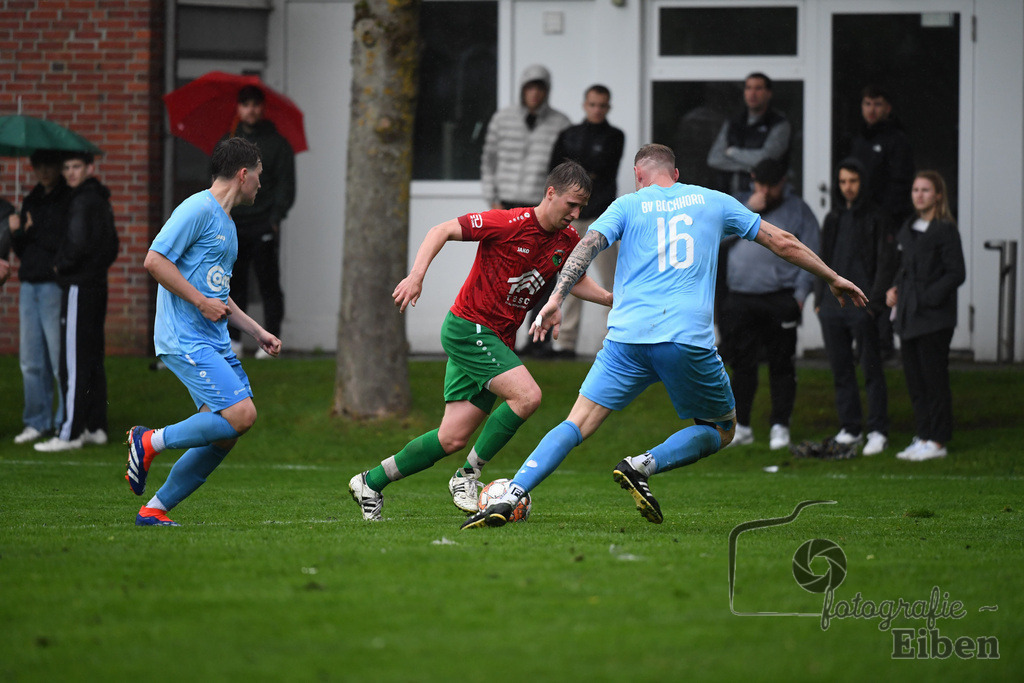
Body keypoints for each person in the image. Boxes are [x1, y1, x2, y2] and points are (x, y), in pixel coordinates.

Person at [460, 144, 867, 530]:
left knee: (577, 422)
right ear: (675, 174)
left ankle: (512, 493)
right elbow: (781, 241)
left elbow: (587, 246)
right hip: (684, 339)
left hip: (626, 339)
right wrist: (831, 277)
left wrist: (556, 298)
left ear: (639, 176)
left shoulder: (627, 204)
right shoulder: (713, 200)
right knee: (721, 429)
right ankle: (643, 465)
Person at [347, 161, 612, 521]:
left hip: (495, 340)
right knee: (528, 396)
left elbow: (575, 279)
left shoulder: (566, 240)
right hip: (469, 328)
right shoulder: (509, 223)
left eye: (582, 207)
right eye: (571, 204)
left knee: (451, 438)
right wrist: (416, 276)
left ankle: (370, 482)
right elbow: (441, 230)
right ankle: (468, 475)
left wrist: (614, 301)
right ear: (550, 193)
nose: (576, 214)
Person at [125, 138, 281, 526]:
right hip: (185, 338)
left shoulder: (228, 226)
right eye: (258, 176)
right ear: (243, 174)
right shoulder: (196, 208)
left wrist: (257, 330)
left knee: (225, 434)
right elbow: (154, 260)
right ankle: (148, 441)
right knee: (242, 415)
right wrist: (198, 301)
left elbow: (219, 297)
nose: (260, 184)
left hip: (211, 340)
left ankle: (154, 510)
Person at [718, 158, 819, 451]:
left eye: (770, 186)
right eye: (759, 184)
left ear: (783, 183)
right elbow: (716, 240)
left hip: (780, 296)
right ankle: (742, 426)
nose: (765, 190)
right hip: (740, 296)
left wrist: (799, 296)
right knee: (741, 364)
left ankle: (780, 426)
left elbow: (812, 250)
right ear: (752, 179)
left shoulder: (798, 209)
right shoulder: (739, 203)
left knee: (781, 363)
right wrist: (750, 210)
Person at [480, 65, 572, 358]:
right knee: (502, 273)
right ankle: (496, 334)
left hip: (538, 208)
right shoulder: (502, 119)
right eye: (530, 87)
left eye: (540, 87)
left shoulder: (560, 123)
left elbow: (563, 170)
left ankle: (537, 340)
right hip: (505, 205)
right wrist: (492, 201)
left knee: (542, 274)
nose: (535, 93)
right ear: (523, 89)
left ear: (547, 90)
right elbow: (488, 161)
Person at [34, 152, 118, 453]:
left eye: (76, 167)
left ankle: (70, 432)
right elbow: (113, 247)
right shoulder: (99, 198)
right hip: (97, 285)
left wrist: (61, 267)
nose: (70, 173)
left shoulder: (82, 200)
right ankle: (95, 426)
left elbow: (78, 242)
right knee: (92, 356)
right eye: (66, 167)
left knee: (73, 360)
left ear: (89, 168)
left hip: (80, 287)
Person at [815, 158, 898, 455]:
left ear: (863, 182)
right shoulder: (833, 218)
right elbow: (821, 260)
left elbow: (886, 261)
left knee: (871, 369)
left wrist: (873, 305)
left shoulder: (878, 216)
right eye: (843, 182)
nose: (848, 187)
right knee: (841, 370)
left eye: (853, 181)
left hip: (864, 306)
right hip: (832, 307)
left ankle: (877, 430)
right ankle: (850, 428)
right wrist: (818, 300)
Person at [887, 171, 965, 462]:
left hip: (934, 318)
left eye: (926, 190)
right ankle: (923, 435)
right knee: (915, 380)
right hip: (908, 317)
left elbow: (956, 272)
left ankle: (938, 440)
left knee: (934, 380)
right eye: (915, 189)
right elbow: (904, 267)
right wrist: (894, 290)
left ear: (938, 195)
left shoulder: (945, 230)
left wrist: (929, 297)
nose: (919, 194)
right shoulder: (908, 228)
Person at [546, 84, 625, 359]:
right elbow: (556, 170)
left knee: (611, 281)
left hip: (603, 219)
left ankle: (613, 341)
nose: (597, 110)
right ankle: (564, 343)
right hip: (573, 220)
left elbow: (604, 168)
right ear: (585, 105)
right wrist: (585, 173)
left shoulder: (615, 136)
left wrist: (578, 172)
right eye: (593, 104)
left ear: (608, 107)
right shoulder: (569, 135)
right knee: (570, 277)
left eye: (602, 105)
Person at [224, 84, 296, 359]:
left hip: (264, 222)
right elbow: (217, 181)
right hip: (234, 223)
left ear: (262, 108)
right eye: (245, 104)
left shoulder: (278, 144)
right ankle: (233, 342)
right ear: (238, 108)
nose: (250, 109)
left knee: (268, 283)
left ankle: (271, 339)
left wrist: (275, 218)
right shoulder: (229, 141)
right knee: (232, 282)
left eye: (255, 104)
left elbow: (286, 186)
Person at [10, 150, 71, 445]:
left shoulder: (66, 198)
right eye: (39, 166)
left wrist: (34, 230)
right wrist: (17, 232)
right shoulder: (31, 198)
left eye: (49, 165)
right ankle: (37, 421)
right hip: (28, 286)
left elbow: (58, 241)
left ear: (58, 167)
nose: (44, 171)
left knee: (58, 357)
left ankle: (64, 421)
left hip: (52, 285)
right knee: (30, 360)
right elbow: (23, 250)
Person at [706, 72, 791, 196]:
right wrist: (749, 167)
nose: (753, 93)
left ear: (768, 93)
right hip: (728, 192)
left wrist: (733, 152)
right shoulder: (733, 122)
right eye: (748, 88)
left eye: (758, 88)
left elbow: (766, 159)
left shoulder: (779, 124)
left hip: (764, 195)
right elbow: (714, 159)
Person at [847, 85, 914, 227]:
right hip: (859, 216)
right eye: (867, 104)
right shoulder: (857, 140)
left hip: (886, 219)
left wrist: (884, 214)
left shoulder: (897, 140)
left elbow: (900, 184)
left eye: (877, 104)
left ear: (888, 108)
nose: (871, 110)